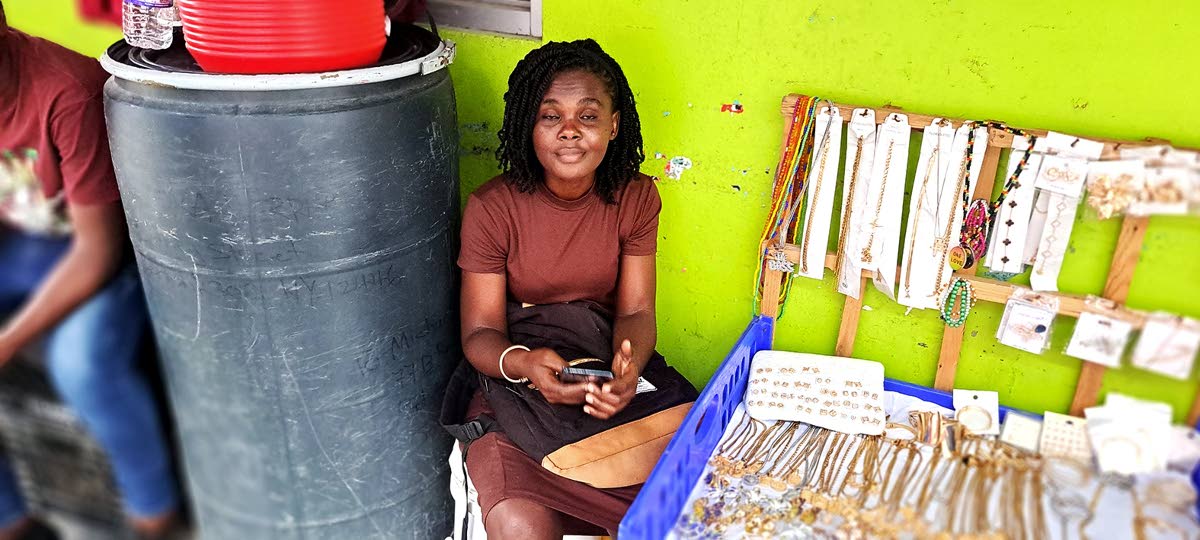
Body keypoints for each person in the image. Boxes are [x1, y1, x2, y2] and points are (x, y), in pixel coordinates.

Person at [456, 38, 662, 538]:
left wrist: (628, 367)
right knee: (520, 519)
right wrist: (525, 363)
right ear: (531, 125)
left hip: (601, 368)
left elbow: (636, 311)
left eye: (588, 116)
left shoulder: (636, 197)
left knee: (685, 494)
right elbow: (480, 332)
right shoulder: (493, 208)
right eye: (551, 116)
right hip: (512, 383)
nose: (570, 131)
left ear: (614, 126)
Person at [0, 7, 179, 540]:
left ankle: (155, 516)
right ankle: (11, 522)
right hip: (24, 247)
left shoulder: (67, 91)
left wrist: (7, 342)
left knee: (83, 367)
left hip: (108, 257)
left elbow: (96, 252)